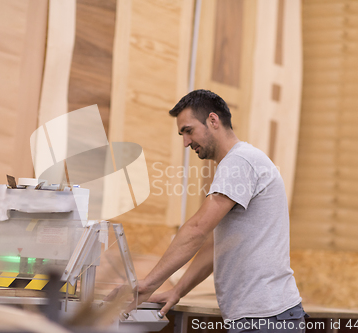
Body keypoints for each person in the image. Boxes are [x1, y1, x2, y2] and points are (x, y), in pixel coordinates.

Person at [124, 89, 306, 332]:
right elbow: (216, 246)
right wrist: (177, 291)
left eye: (188, 130)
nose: (186, 142)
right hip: (261, 318)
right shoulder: (237, 164)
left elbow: (197, 229)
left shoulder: (240, 162)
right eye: (182, 134)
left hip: (268, 318)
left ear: (213, 120)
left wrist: (147, 285)